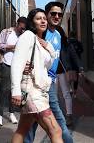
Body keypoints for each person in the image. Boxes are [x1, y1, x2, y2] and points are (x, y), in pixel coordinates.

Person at [11, 8, 63, 143]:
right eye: (39, 18)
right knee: (56, 131)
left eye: (44, 19)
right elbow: (16, 63)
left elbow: (49, 65)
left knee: (22, 130)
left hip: (40, 90)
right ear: (32, 22)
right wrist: (15, 90)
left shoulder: (40, 41)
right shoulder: (27, 36)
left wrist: (49, 47)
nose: (43, 21)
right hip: (32, 91)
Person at [24, 2, 74, 143]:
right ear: (46, 14)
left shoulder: (58, 34)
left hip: (50, 81)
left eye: (59, 14)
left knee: (31, 121)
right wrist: (26, 65)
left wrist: (71, 69)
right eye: (53, 13)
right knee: (58, 120)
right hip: (39, 83)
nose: (57, 16)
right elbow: (24, 49)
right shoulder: (39, 33)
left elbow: (60, 55)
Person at [0, 17, 27, 126]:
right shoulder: (6, 32)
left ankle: (11, 113)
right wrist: (12, 47)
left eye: (23, 29)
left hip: (18, 67)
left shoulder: (23, 36)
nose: (21, 30)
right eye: (20, 28)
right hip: (6, 64)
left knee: (15, 91)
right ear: (17, 24)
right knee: (4, 90)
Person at [55, 26, 84, 126]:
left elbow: (74, 56)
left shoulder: (67, 44)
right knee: (53, 96)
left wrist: (80, 68)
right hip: (52, 73)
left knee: (66, 94)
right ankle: (56, 116)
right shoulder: (49, 42)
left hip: (63, 72)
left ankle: (69, 115)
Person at [67, 30, 84, 97]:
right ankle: (75, 93)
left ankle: (70, 88)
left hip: (69, 62)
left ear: (70, 35)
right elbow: (82, 50)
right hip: (76, 62)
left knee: (69, 76)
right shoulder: (78, 42)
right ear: (75, 35)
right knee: (76, 77)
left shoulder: (67, 42)